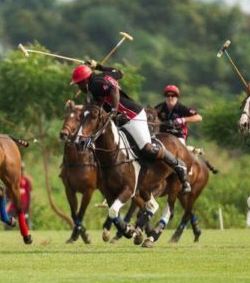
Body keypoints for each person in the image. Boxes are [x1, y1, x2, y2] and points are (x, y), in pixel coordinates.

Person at [70, 61, 191, 193]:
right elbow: (119, 72)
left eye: (78, 83)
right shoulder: (102, 77)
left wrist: (115, 111)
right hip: (121, 118)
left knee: (147, 148)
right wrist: (99, 66)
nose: (78, 86)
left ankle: (178, 165)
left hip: (133, 115)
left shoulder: (95, 84)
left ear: (85, 80)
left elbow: (113, 89)